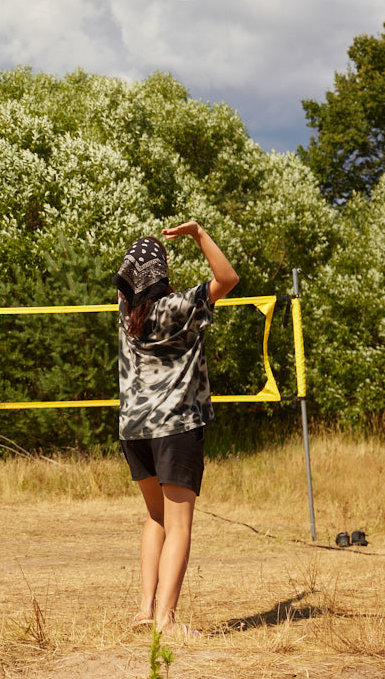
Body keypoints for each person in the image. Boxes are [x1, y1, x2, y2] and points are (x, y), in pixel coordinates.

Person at [113, 221, 238, 638]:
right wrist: (199, 233)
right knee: (179, 525)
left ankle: (144, 611)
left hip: (134, 430)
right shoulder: (179, 307)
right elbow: (228, 279)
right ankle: (166, 621)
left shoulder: (124, 313)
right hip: (176, 425)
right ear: (162, 271)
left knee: (156, 517)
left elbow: (130, 283)